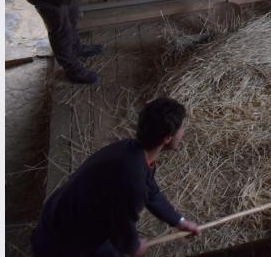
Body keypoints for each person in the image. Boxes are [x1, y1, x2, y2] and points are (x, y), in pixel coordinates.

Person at [31, 97, 201, 256]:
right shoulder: (133, 180)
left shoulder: (131, 151)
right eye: (182, 127)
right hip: (63, 241)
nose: (183, 131)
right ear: (167, 138)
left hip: (60, 216)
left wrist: (179, 221)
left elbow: (151, 191)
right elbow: (121, 226)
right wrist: (133, 246)